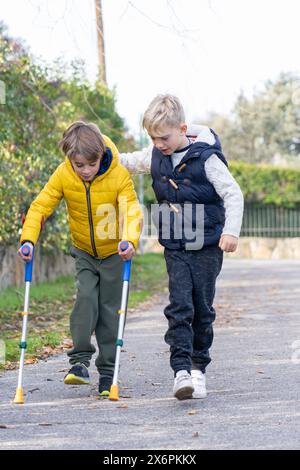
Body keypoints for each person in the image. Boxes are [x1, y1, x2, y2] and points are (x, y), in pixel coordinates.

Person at [119, 95, 244, 400]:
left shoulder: (207, 158)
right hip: (174, 244)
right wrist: (102, 153)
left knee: (201, 308)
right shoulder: (156, 155)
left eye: (163, 137)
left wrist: (231, 232)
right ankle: (181, 372)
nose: (158, 143)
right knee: (179, 307)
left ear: (182, 128)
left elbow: (233, 194)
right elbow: (130, 161)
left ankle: (198, 368)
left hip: (206, 244)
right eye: (152, 137)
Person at [18, 121, 143, 397]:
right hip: (84, 251)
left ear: (101, 155)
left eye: (91, 164)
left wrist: (129, 239)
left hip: (114, 252)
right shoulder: (64, 174)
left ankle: (108, 372)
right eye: (79, 165)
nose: (85, 171)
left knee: (110, 312)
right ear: (70, 160)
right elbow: (41, 205)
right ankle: (79, 364)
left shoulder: (118, 175)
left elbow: (131, 210)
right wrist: (28, 239)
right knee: (85, 300)